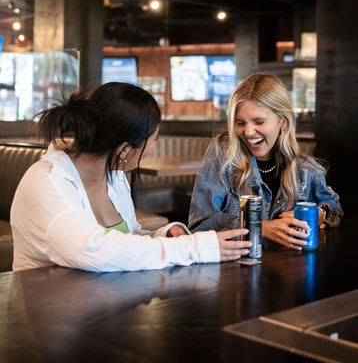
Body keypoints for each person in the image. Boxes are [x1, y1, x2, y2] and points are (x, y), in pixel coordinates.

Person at [11, 82, 252, 272]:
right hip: (46, 315)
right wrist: (196, 248)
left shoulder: (114, 175)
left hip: (99, 306)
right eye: (154, 139)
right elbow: (92, 250)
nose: (153, 149)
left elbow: (127, 238)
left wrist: (164, 235)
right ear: (124, 149)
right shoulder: (47, 183)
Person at [188, 73, 343, 250]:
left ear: (283, 122)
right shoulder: (223, 154)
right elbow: (199, 224)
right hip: (235, 271)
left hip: (287, 270)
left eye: (259, 122)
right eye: (240, 123)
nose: (248, 132)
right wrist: (258, 227)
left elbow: (335, 210)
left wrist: (320, 214)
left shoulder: (305, 170)